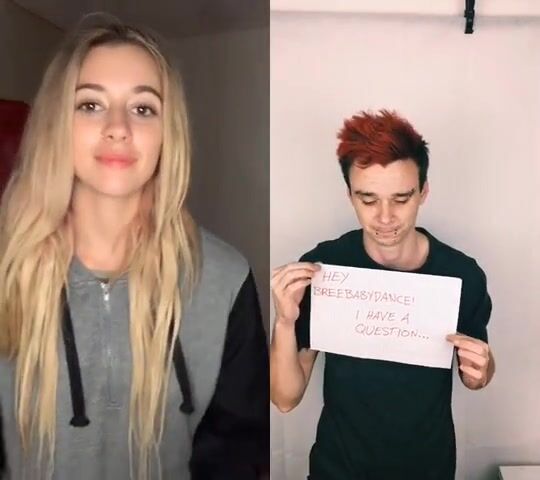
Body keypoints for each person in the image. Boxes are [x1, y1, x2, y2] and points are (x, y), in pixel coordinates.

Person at [0, 16, 268, 480]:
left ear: (168, 132)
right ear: (56, 123)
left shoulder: (225, 278)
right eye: (90, 104)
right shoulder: (6, 265)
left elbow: (236, 455)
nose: (118, 127)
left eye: (143, 108)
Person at [270, 110, 495, 480]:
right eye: (368, 199)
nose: (385, 217)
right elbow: (284, 398)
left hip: (428, 470)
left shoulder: (461, 275)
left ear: (423, 192)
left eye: (401, 198)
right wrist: (284, 322)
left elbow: (476, 373)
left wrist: (482, 372)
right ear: (350, 195)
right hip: (337, 471)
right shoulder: (325, 268)